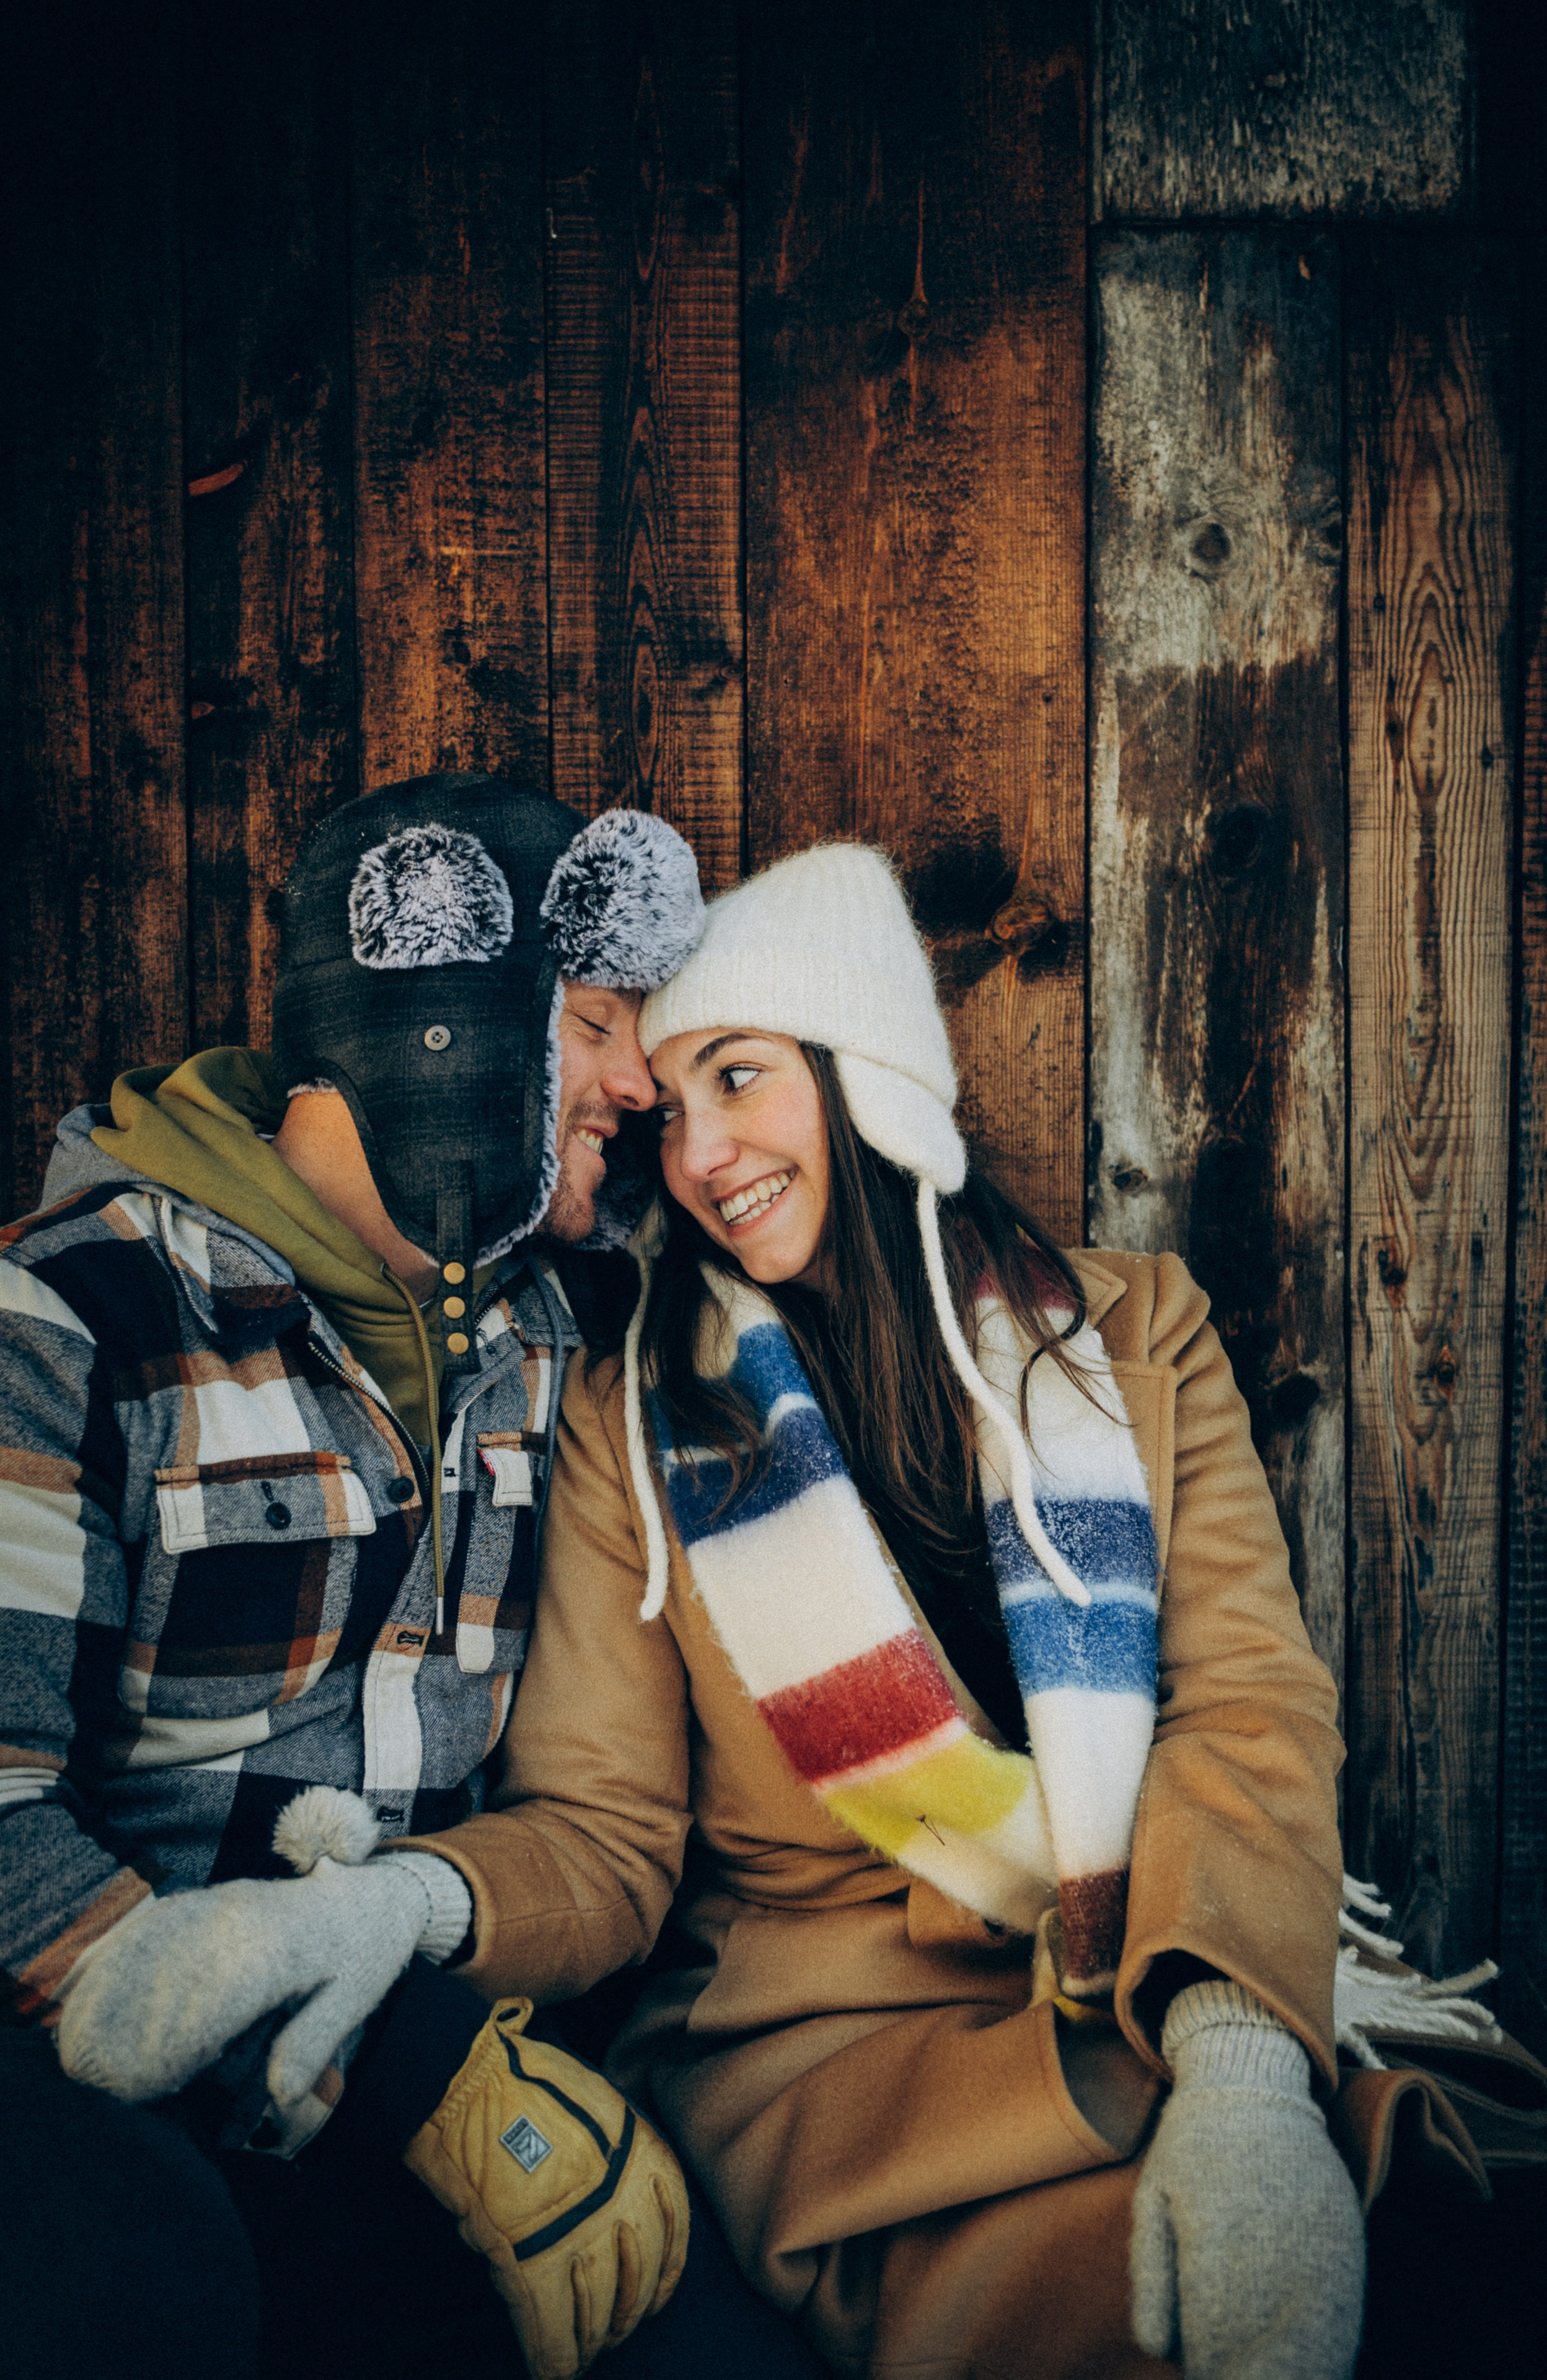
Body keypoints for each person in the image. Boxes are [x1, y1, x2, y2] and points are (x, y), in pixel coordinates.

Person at [407, 841, 1370, 2379]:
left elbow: (1247, 1704)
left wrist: (1241, 2070)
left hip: (1155, 1980)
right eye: (670, 1114)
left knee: (1467, 2250)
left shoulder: (1132, 1336)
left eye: (740, 1077)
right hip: (838, 2065)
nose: (702, 1156)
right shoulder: (631, 1419)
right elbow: (600, 1822)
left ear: (864, 1076)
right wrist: (391, 1909)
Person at [0, 774, 824, 2380]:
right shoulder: (71, 1318)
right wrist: (406, 2075)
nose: (637, 1080)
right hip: (110, 2090)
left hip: (435, 2046)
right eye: (594, 1024)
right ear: (442, 1018)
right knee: (131, 2284)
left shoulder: (557, 1333)